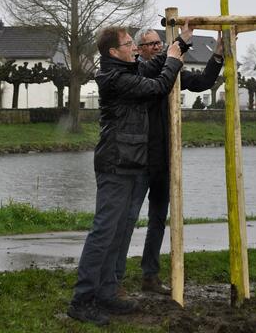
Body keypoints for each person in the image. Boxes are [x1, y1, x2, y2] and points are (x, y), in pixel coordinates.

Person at [67, 26, 184, 326]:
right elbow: (159, 86)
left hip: (132, 164)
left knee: (119, 232)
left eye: (133, 42)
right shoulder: (115, 79)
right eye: (128, 43)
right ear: (113, 52)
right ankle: (81, 300)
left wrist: (181, 42)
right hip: (115, 165)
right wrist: (173, 60)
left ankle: (106, 294)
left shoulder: (128, 70)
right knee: (104, 233)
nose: (134, 46)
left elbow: (153, 66)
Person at [115, 23, 224, 295]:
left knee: (157, 219)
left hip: (163, 159)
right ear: (138, 49)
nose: (156, 47)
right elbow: (153, 72)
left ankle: (149, 276)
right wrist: (179, 47)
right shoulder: (135, 71)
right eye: (151, 44)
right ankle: (113, 279)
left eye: (158, 44)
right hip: (139, 160)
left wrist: (217, 57)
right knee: (127, 219)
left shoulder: (170, 70)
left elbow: (201, 83)